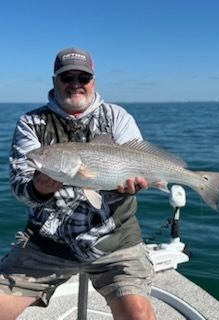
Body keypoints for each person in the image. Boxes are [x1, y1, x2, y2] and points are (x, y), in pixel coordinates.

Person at [0, 47, 156, 320]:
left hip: (115, 241)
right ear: (54, 81)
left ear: (93, 81)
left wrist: (137, 183)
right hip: (46, 243)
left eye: (83, 77)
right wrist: (40, 188)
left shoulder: (117, 117)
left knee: (139, 315)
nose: (75, 84)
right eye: (66, 77)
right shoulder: (31, 123)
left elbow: (137, 161)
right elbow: (20, 187)